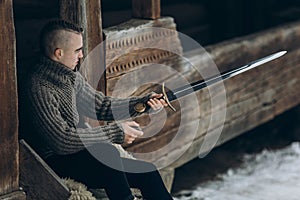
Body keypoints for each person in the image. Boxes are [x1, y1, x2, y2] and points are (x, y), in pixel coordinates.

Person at [22, 19, 174, 200]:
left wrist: (142, 104)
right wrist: (114, 132)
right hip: (52, 163)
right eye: (77, 50)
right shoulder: (38, 87)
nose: (81, 55)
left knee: (148, 173)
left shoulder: (70, 77)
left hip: (81, 155)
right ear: (59, 53)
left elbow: (101, 106)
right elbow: (61, 141)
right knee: (106, 152)